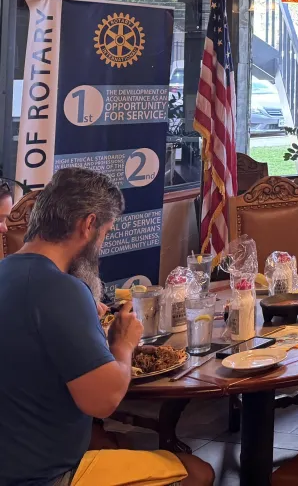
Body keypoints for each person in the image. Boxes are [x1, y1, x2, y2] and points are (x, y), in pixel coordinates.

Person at [0, 167, 213, 486]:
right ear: (88, 224)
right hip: (45, 476)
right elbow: (103, 400)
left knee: (118, 444)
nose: (102, 244)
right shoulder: (61, 289)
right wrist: (122, 344)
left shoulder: (7, 271)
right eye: (106, 232)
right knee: (198, 472)